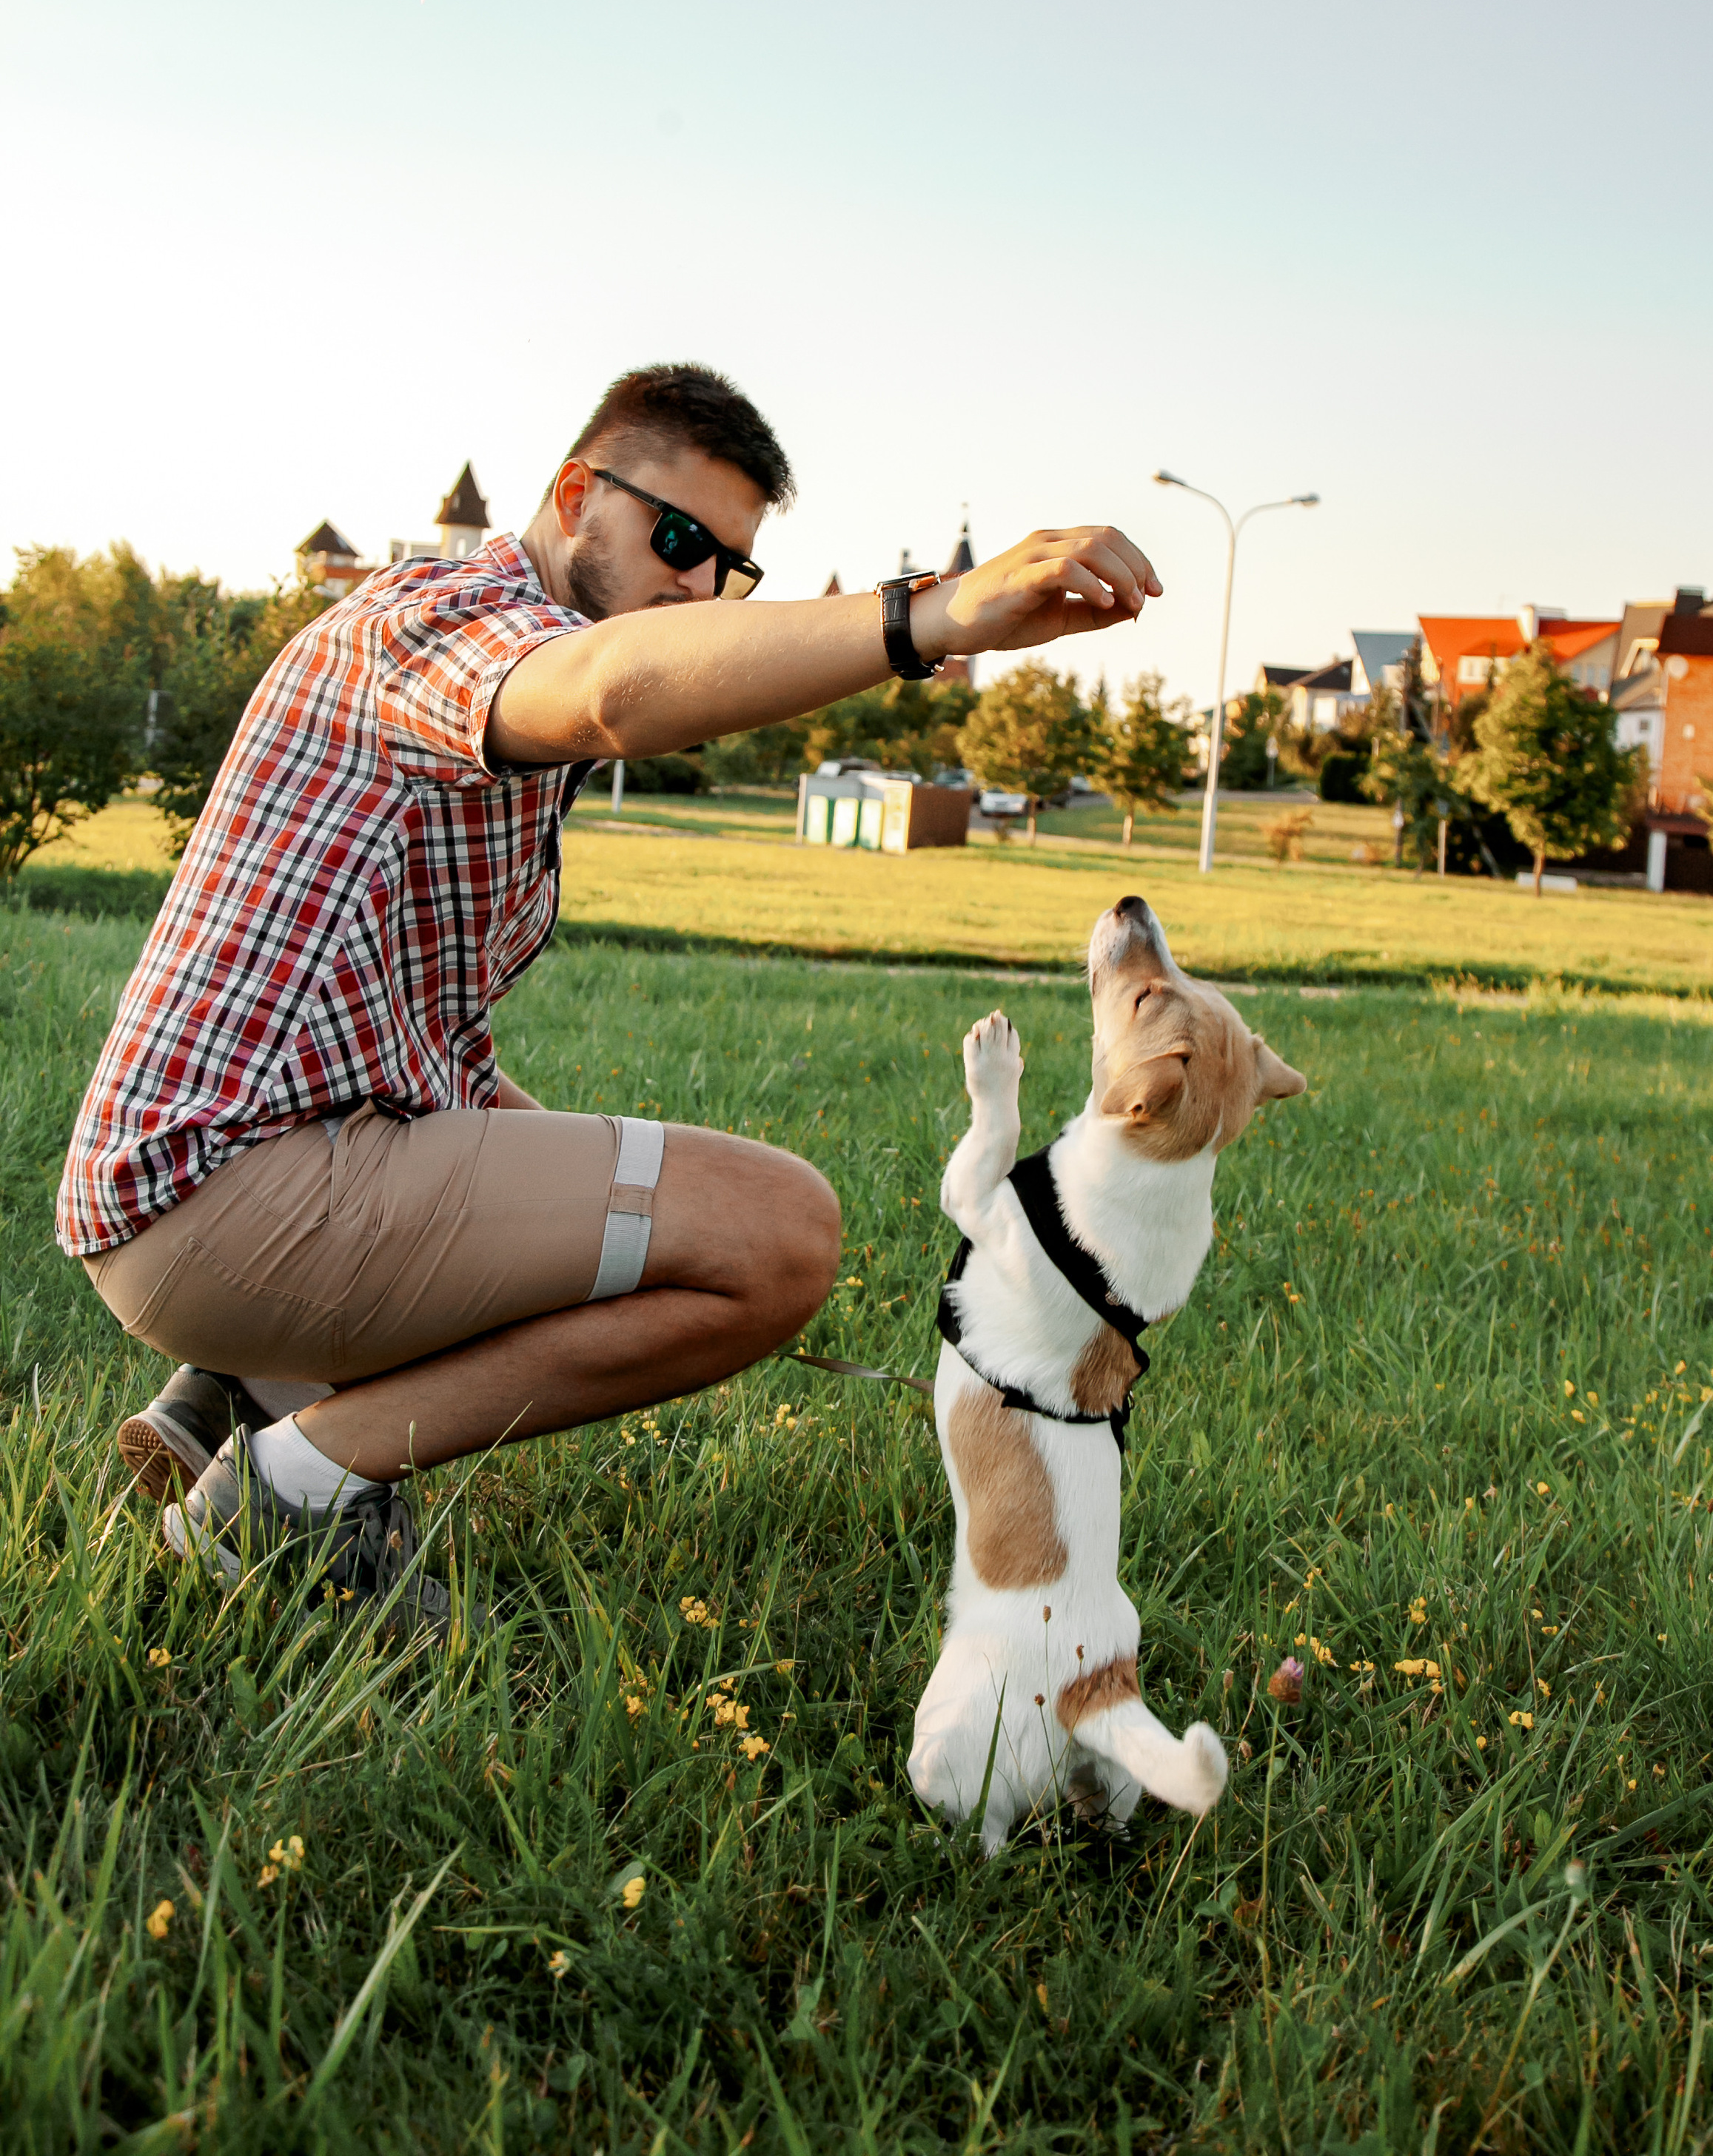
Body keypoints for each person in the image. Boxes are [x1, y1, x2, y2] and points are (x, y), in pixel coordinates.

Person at [60, 363, 1160, 1628]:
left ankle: (240, 1395)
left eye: (728, 570)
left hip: (245, 1182)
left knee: (689, 1223)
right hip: (212, 1192)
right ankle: (292, 1488)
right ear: (577, 496)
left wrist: (623, 1244)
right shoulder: (445, 613)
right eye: (676, 539)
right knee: (781, 1233)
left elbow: (424, 1041)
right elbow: (618, 689)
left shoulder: (502, 699)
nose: (697, 588)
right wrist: (935, 617)